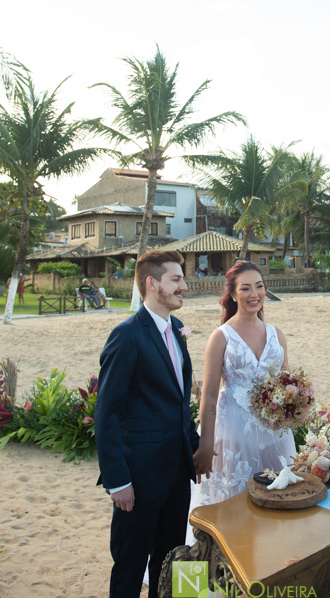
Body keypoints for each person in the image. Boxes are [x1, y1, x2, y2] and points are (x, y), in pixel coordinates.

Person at [95, 249, 204, 598]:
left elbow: (178, 401)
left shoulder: (175, 330)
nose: (184, 286)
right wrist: (117, 481)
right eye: (176, 279)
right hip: (138, 478)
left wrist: (195, 445)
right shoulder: (127, 335)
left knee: (168, 560)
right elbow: (107, 413)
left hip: (175, 472)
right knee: (129, 566)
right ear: (152, 284)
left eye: (183, 279)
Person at [193, 260, 296, 505]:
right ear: (233, 294)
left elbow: (287, 381)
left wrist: (295, 399)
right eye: (245, 288)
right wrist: (206, 443)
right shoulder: (221, 337)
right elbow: (208, 394)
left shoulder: (276, 334)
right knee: (234, 502)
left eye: (259, 287)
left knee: (276, 497)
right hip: (232, 431)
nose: (254, 294)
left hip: (273, 433)